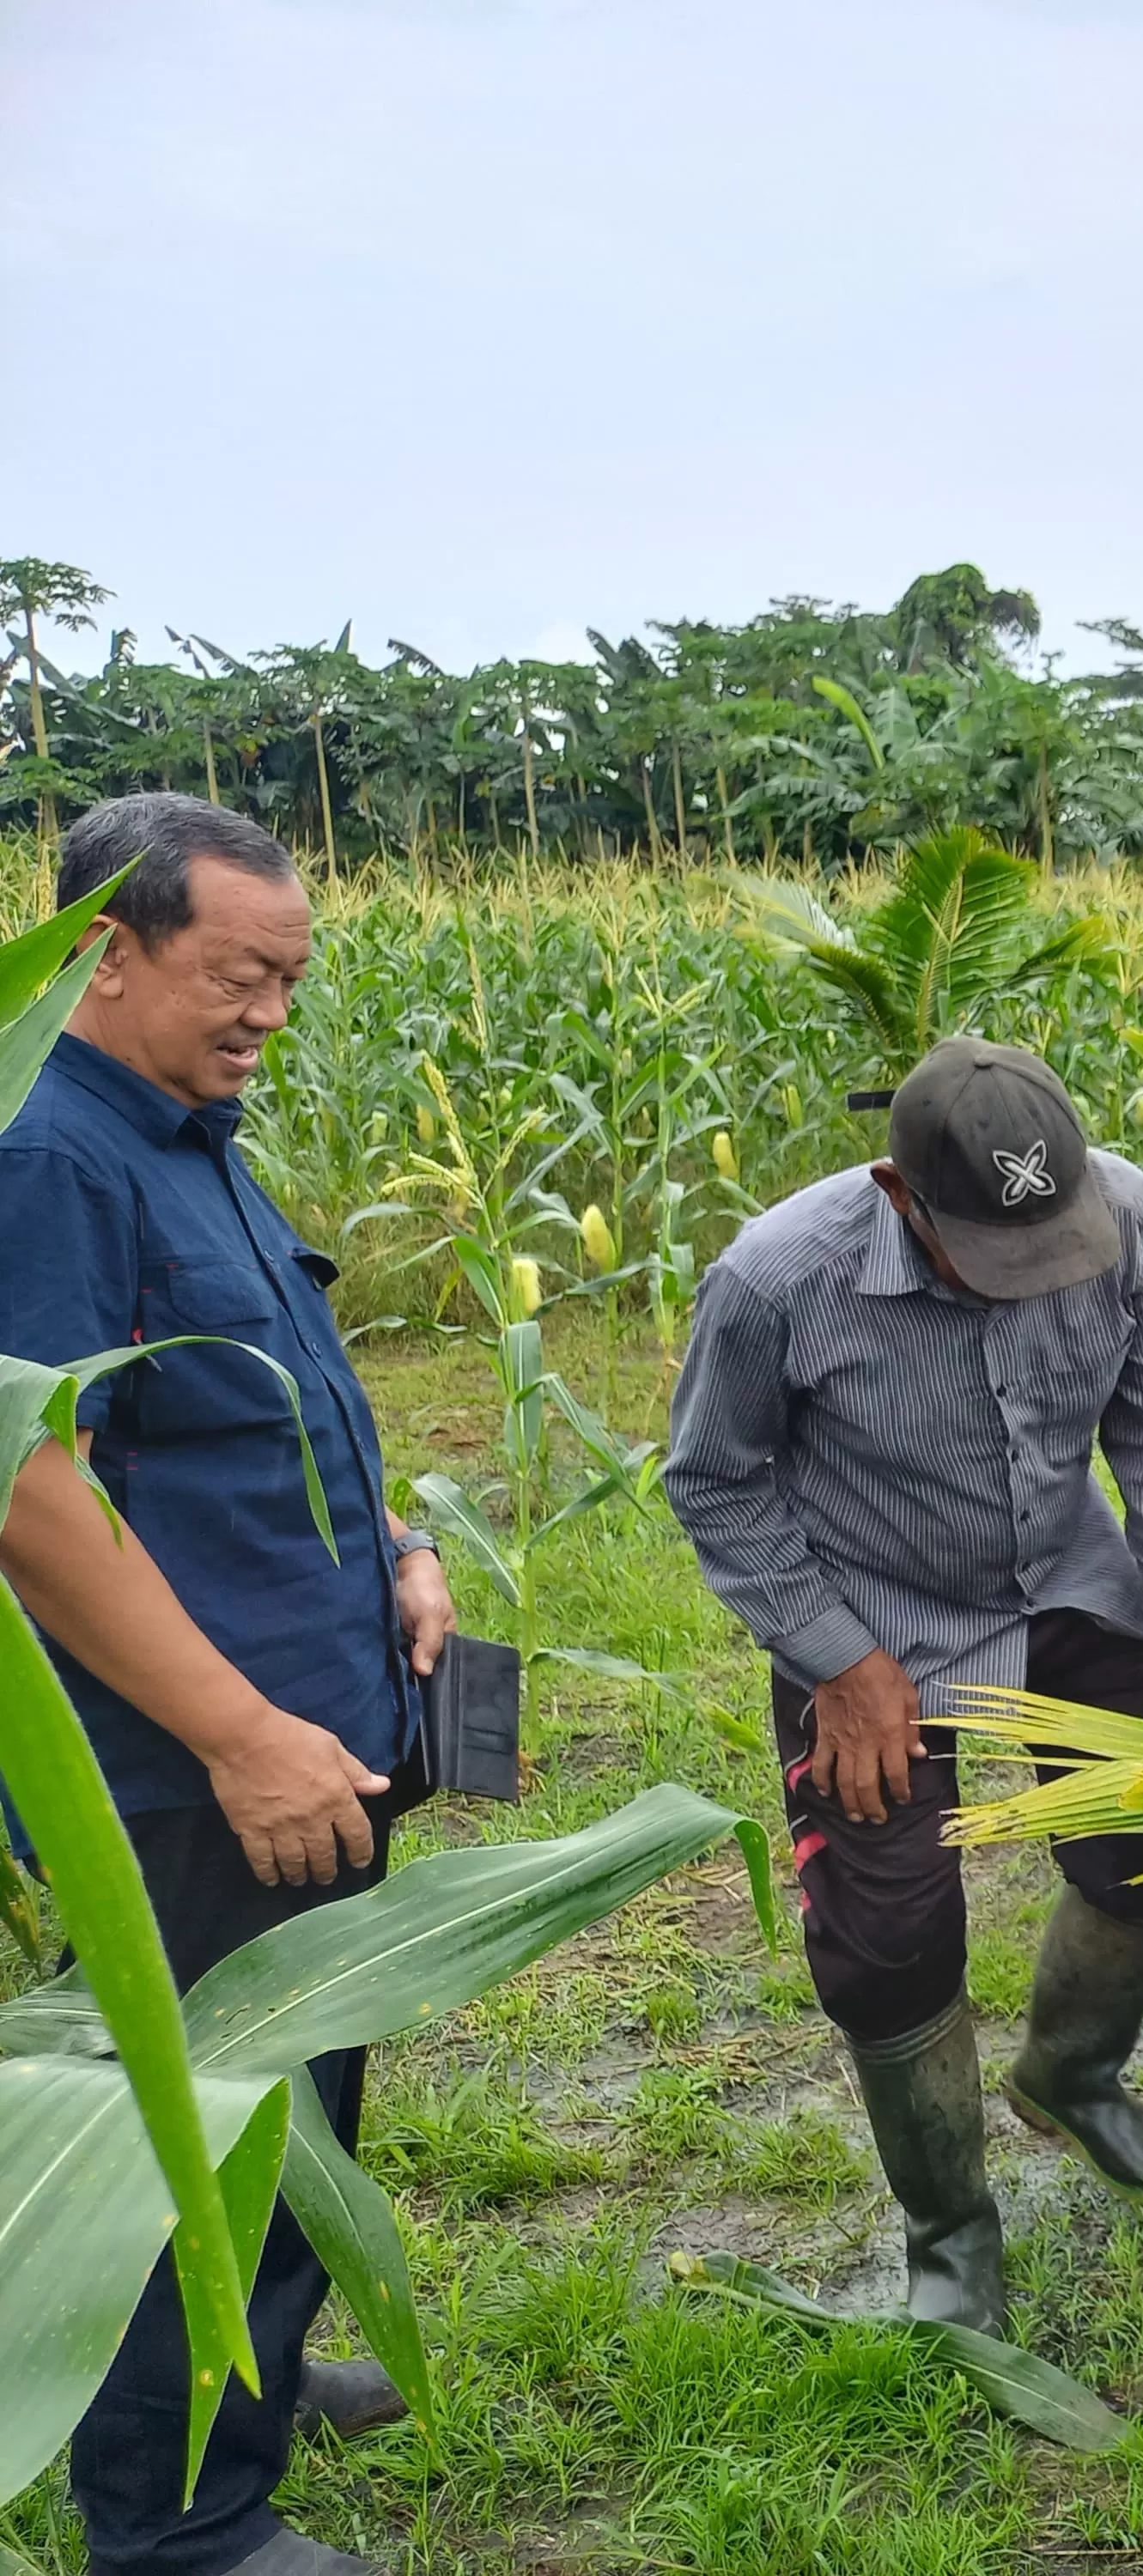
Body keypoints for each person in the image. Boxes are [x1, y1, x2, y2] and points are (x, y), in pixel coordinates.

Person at [0, 794, 455, 2576]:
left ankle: (243, 2380)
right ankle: (175, 2522)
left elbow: (269, 1388)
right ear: (103, 956)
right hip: (187, 1765)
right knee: (176, 2126)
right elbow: (35, 1490)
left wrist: (398, 1541)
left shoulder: (194, 1131)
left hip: (307, 1715)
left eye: (291, 977)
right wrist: (241, 1731)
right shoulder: (51, 1155)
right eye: (237, 975)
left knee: (291, 2095)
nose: (269, 1008)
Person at [661, 1038, 1143, 2338]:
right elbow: (715, 1479)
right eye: (989, 1253)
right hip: (870, 1620)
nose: (1025, 1283)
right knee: (889, 1937)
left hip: (1064, 1585)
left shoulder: (1128, 1217)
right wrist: (841, 1661)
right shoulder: (777, 1278)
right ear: (899, 1191)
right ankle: (949, 2231)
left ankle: (1072, 2074)